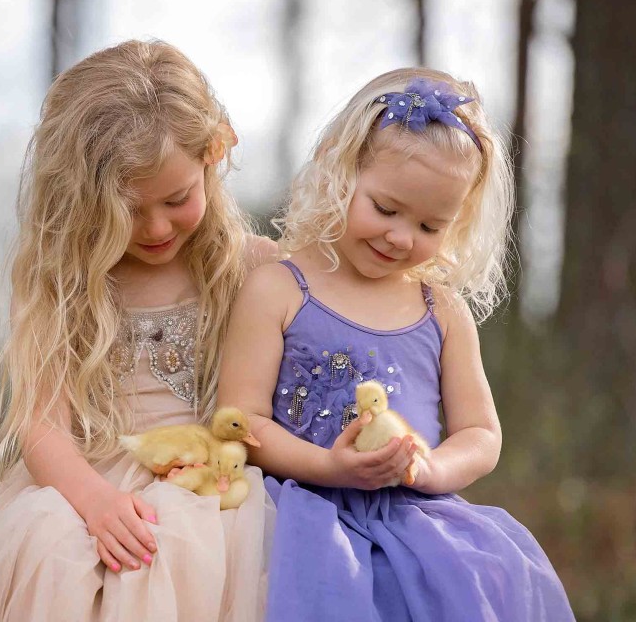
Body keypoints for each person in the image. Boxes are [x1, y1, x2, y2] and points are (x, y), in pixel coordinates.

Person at [0, 39, 277, 622]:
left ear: (212, 158)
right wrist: (97, 502)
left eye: (177, 198)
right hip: (92, 483)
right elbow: (40, 422)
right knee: (51, 545)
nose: (155, 227)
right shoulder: (65, 282)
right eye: (125, 210)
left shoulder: (254, 269)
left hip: (218, 487)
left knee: (204, 548)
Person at [219, 70, 575, 621]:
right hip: (298, 514)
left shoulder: (442, 311)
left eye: (431, 225)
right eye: (385, 209)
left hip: (412, 521)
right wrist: (330, 467)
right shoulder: (280, 289)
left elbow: (481, 433)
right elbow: (240, 418)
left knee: (486, 584)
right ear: (341, 172)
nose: (402, 237)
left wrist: (430, 469)